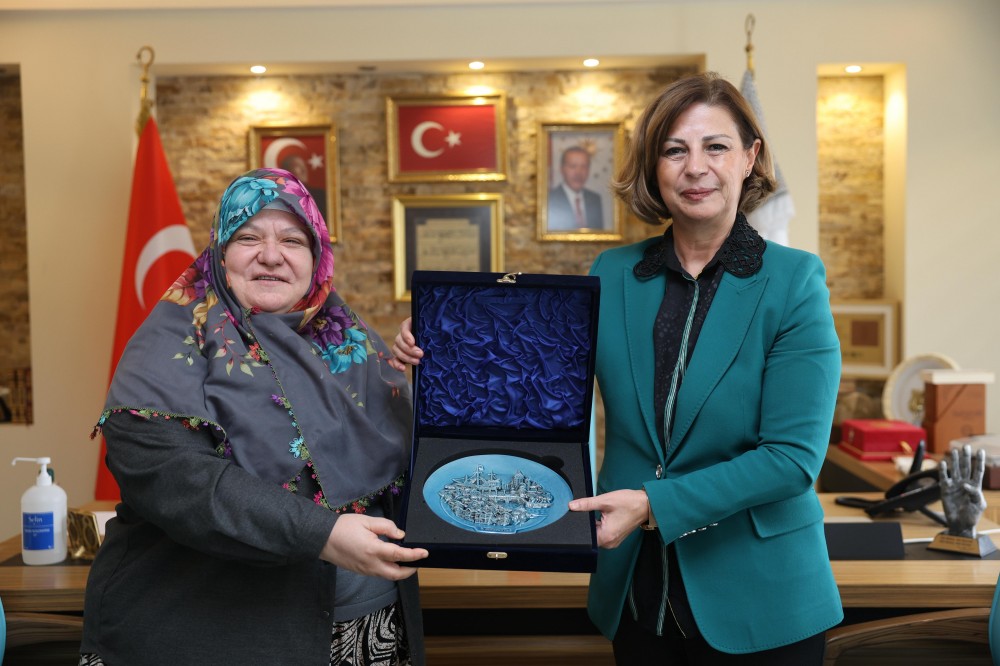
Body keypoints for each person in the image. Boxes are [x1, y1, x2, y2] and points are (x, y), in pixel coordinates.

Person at [391, 72, 843, 664]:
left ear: (750, 157)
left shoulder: (794, 281)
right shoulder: (613, 272)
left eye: (716, 147)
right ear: (654, 166)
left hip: (761, 597)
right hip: (636, 590)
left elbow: (791, 459)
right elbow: (535, 378)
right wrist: (441, 344)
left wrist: (654, 505)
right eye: (674, 150)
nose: (695, 167)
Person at [81, 168, 428, 666]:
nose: (271, 255)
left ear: (317, 258)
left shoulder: (353, 345)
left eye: (293, 240)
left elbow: (419, 468)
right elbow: (179, 482)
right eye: (248, 237)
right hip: (211, 640)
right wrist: (322, 534)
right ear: (220, 252)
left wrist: (436, 371)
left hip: (371, 635)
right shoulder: (168, 347)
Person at [546, 145, 606, 231]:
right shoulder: (550, 199)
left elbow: (599, 235)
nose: (578, 173)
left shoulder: (595, 199)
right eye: (573, 166)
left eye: (584, 167)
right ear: (562, 169)